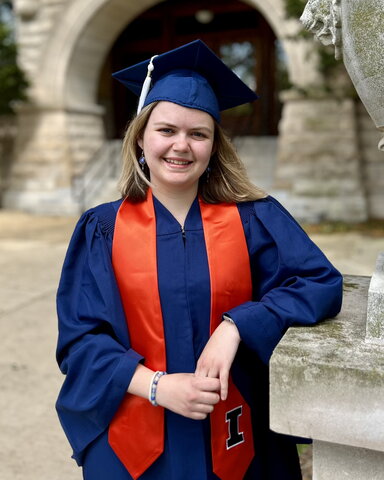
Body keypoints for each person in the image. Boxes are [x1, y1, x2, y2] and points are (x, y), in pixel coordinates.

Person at [56, 40, 343, 480]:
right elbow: (81, 340)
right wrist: (158, 386)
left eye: (198, 133)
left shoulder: (255, 219)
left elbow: (320, 283)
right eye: (166, 130)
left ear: (213, 146)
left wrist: (237, 325)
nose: (181, 146)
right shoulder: (102, 230)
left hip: (238, 437)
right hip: (134, 444)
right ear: (141, 139)